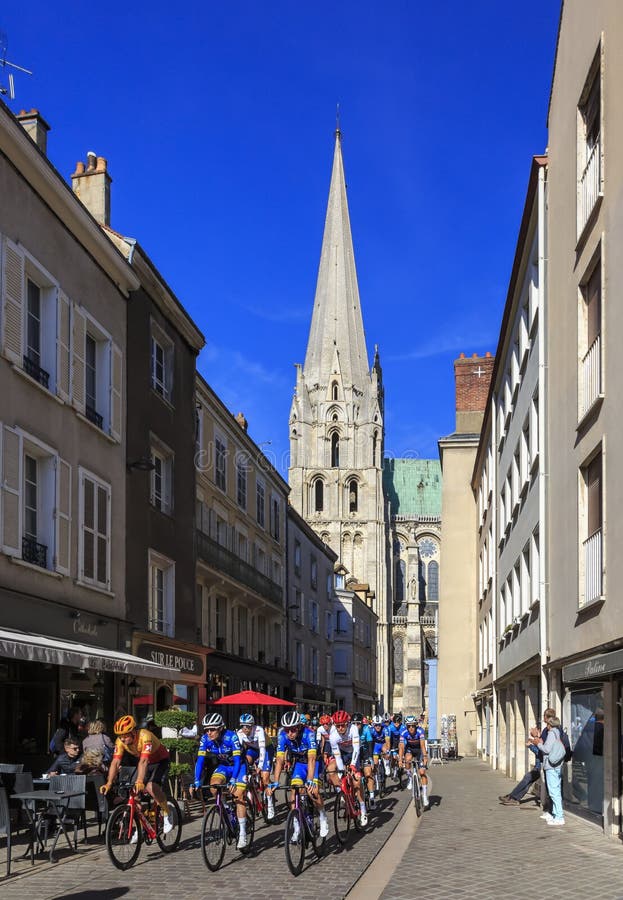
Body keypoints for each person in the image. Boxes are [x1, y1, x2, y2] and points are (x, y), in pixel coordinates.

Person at [99, 715, 174, 834]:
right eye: (120, 736)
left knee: (150, 786)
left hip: (160, 761)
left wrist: (139, 780)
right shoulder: (120, 742)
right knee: (134, 794)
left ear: (133, 732)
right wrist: (108, 783)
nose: (122, 739)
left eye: (125, 735)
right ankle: (141, 827)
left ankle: (167, 813)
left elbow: (143, 761)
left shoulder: (145, 736)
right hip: (146, 763)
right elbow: (115, 762)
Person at [268, 710, 329, 839]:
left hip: (314, 763)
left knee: (313, 792)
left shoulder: (309, 734)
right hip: (300, 765)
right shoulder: (282, 735)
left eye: (293, 730)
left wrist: (310, 780)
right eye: (287, 729)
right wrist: (275, 781)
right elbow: (279, 760)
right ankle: (297, 827)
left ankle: (322, 816)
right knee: (293, 795)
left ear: (299, 726)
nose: (290, 733)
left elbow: (312, 759)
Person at [193, 713, 249, 849]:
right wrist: (196, 780)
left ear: (220, 728)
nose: (209, 733)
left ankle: (242, 833)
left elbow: (237, 760)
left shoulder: (231, 737)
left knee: (238, 795)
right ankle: (226, 808)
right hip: (224, 766)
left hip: (239, 766)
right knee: (213, 787)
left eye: (212, 729)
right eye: (206, 730)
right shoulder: (205, 739)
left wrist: (234, 779)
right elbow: (200, 760)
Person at [327, 709, 368, 826]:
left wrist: (353, 765)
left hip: (353, 754)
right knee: (331, 769)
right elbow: (337, 756)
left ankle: (363, 808)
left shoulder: (353, 729)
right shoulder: (333, 735)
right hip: (342, 754)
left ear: (348, 723)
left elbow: (356, 749)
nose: (340, 728)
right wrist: (341, 772)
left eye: (343, 725)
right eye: (338, 726)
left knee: (356, 781)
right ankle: (341, 792)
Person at [237, 713, 275, 820]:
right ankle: (252, 785)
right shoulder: (240, 733)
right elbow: (239, 752)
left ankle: (270, 804)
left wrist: (260, 766)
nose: (245, 728)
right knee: (245, 762)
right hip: (253, 750)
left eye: (248, 726)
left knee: (265, 777)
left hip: (266, 749)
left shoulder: (259, 730)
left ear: (252, 726)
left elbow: (262, 749)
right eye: (243, 726)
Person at [499, 725, 542, 806]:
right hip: (538, 765)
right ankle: (515, 799)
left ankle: (511, 796)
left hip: (540, 766)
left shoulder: (543, 738)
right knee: (527, 782)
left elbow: (540, 753)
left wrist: (531, 746)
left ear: (539, 730)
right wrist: (533, 742)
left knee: (527, 778)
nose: (533, 731)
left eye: (535, 729)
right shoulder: (539, 739)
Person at [536, 715, 565, 826]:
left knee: (554, 792)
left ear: (550, 724)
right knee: (555, 790)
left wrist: (538, 743)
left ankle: (559, 817)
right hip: (557, 765)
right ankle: (556, 814)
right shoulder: (557, 732)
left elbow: (546, 749)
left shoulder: (551, 733)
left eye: (547, 723)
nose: (546, 725)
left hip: (551, 766)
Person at [398, 715, 429, 807]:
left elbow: (423, 746)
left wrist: (425, 756)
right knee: (407, 759)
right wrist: (400, 759)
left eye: (413, 726)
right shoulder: (403, 732)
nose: (411, 728)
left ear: (416, 725)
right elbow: (402, 747)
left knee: (422, 772)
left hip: (419, 750)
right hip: (410, 749)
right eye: (408, 726)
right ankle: (410, 777)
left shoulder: (420, 731)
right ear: (406, 726)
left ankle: (424, 795)